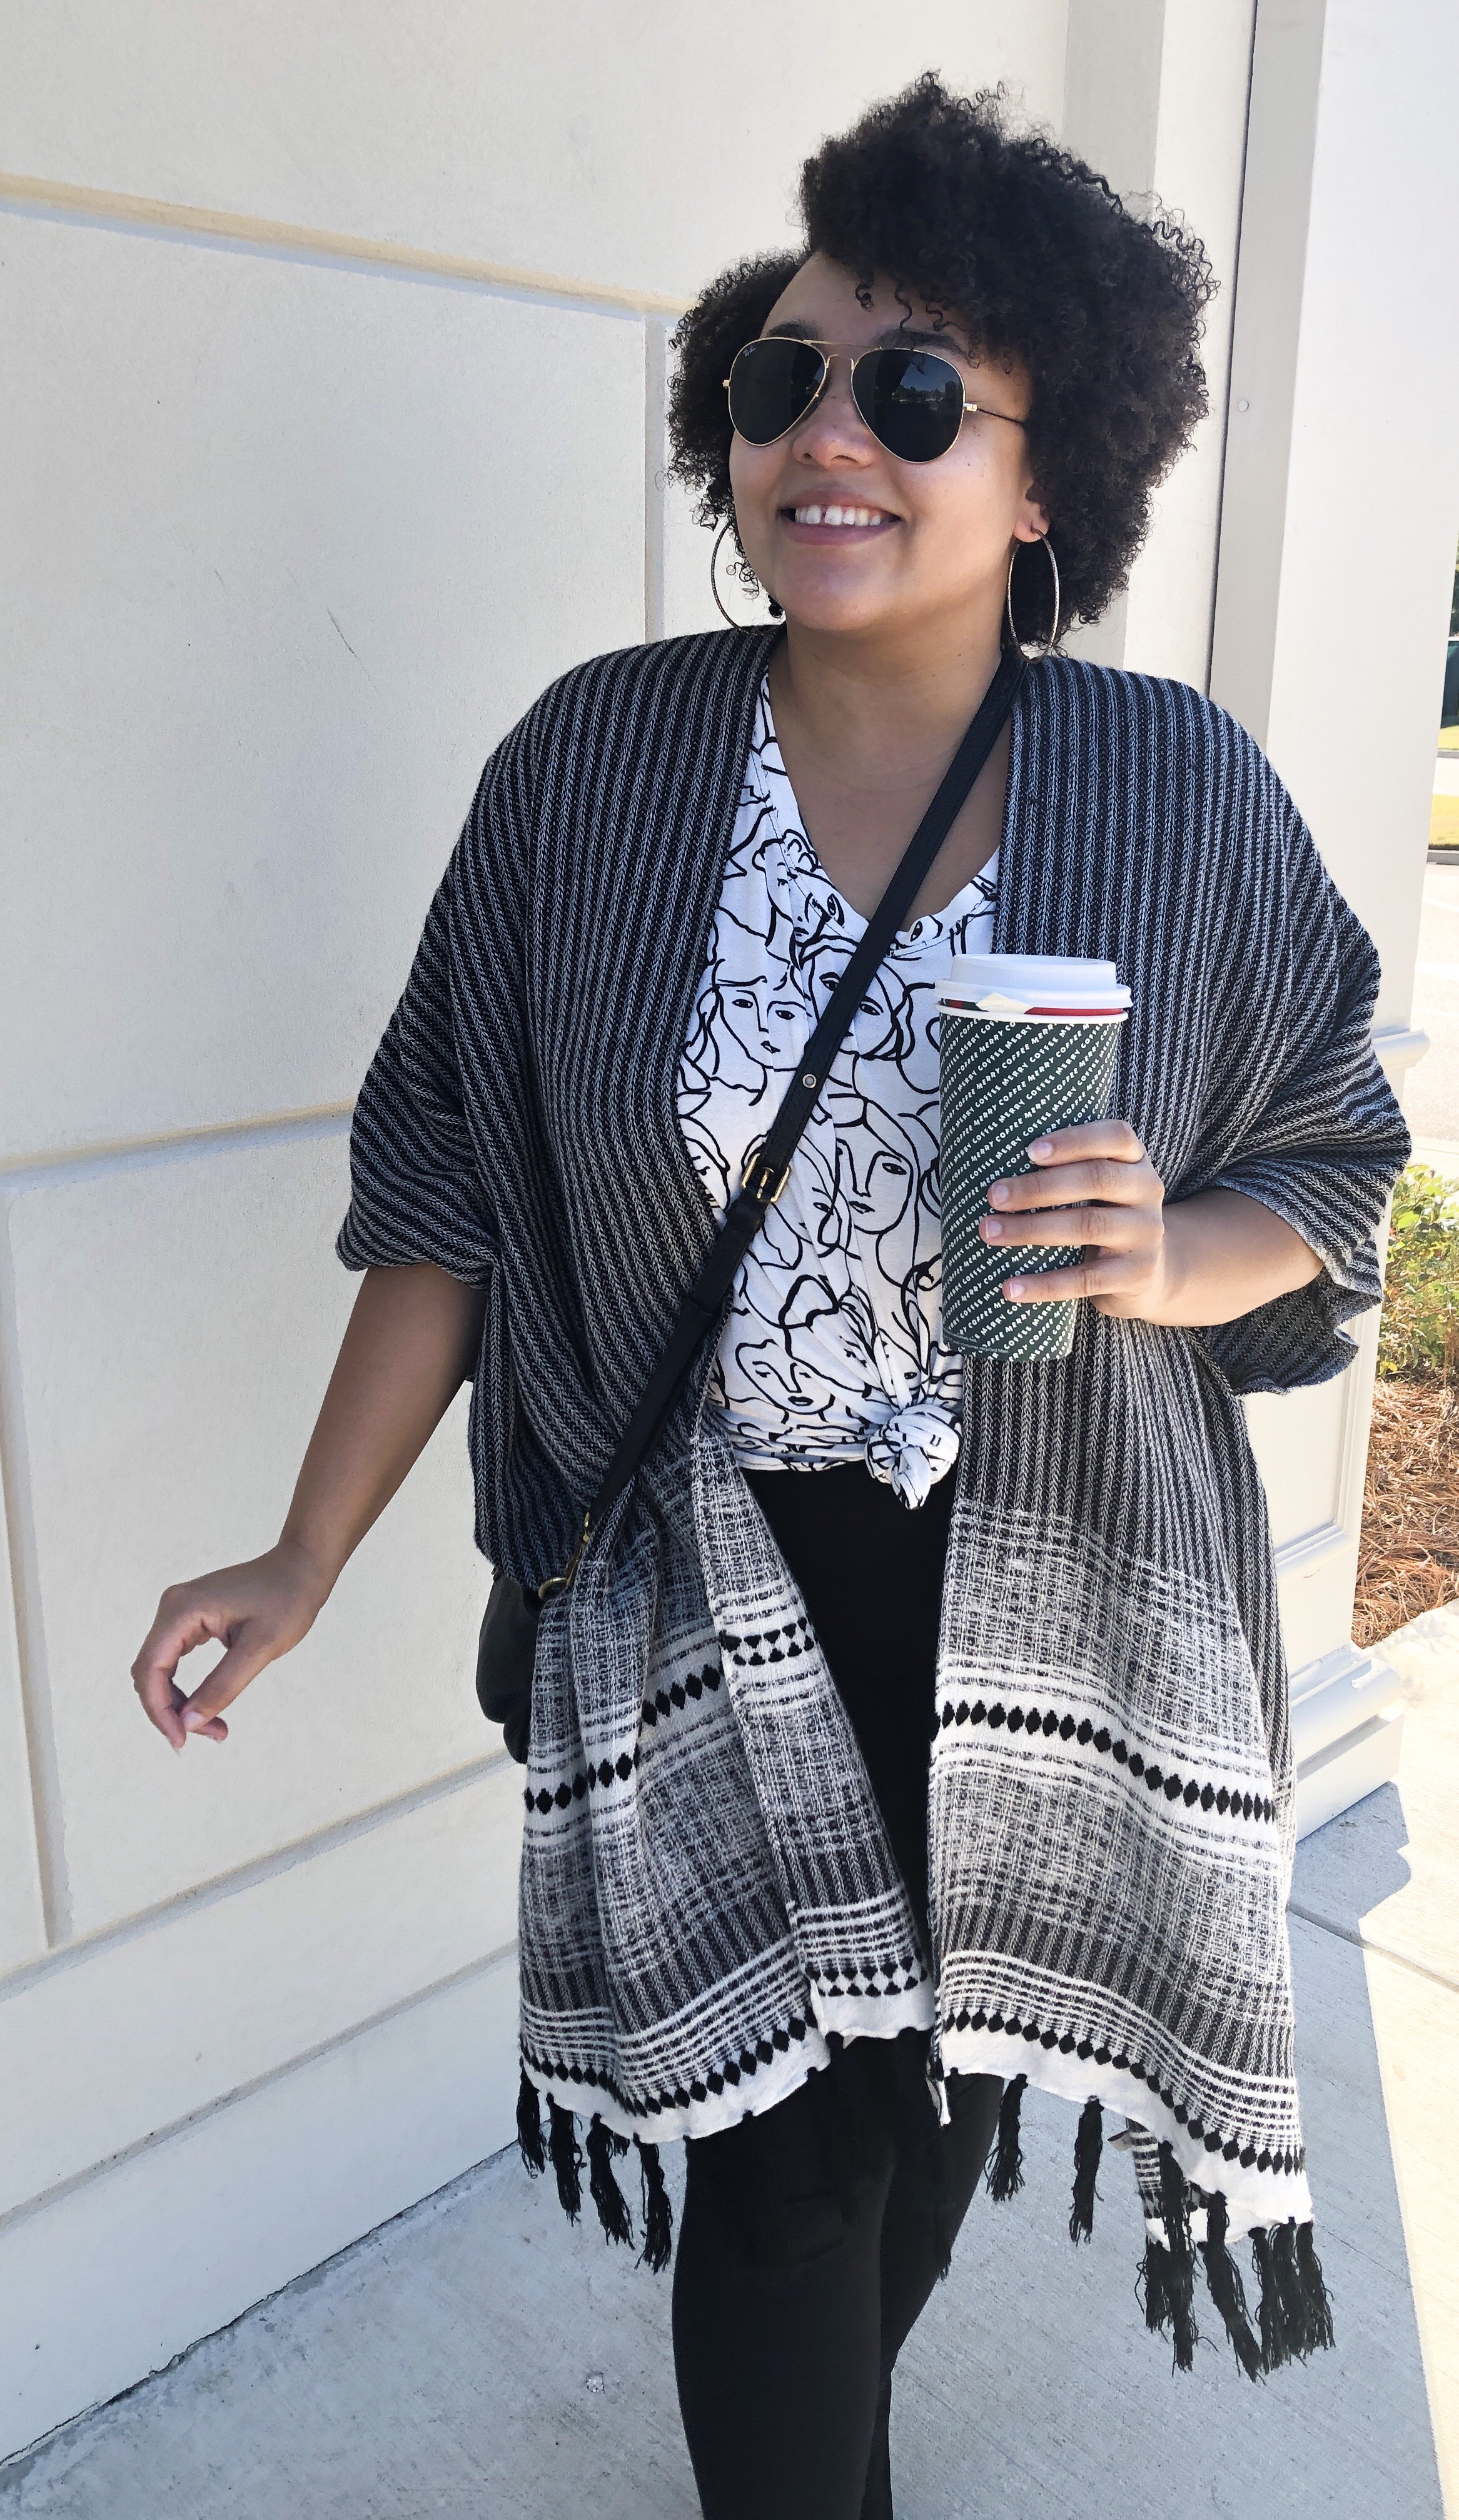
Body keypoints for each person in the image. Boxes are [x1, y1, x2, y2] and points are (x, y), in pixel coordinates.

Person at [133, 77, 1409, 2520]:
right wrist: (304, 1549)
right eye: (778, 376)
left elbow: (1332, 1163)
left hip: (1052, 1581)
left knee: (932, 2106)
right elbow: (448, 1179)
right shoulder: (594, 772)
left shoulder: (1175, 792)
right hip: (712, 1574)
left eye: (911, 390)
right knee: (785, 2173)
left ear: (1042, 478)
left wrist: (1170, 1251)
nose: (827, 434)